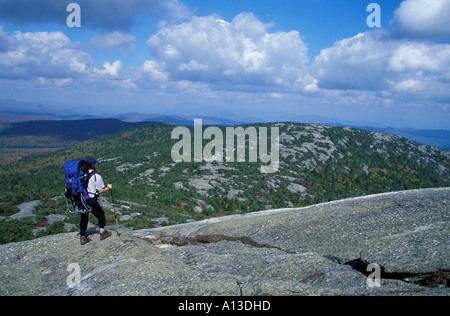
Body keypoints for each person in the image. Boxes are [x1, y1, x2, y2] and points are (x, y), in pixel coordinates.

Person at [79, 157, 113, 245]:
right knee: (101, 215)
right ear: (94, 165)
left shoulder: (81, 174)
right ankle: (102, 233)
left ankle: (82, 237)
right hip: (91, 200)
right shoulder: (96, 176)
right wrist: (108, 188)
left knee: (84, 217)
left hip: (81, 199)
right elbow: (99, 190)